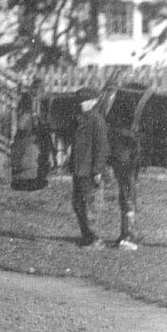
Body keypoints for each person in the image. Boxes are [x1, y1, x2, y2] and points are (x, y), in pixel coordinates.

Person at [69, 89, 117, 248]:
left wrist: (97, 171)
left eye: (84, 101)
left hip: (90, 171)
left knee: (91, 205)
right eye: (79, 102)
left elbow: (102, 148)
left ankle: (95, 238)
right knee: (78, 204)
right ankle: (87, 236)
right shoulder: (79, 120)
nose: (81, 105)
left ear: (93, 101)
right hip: (79, 170)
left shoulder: (97, 120)